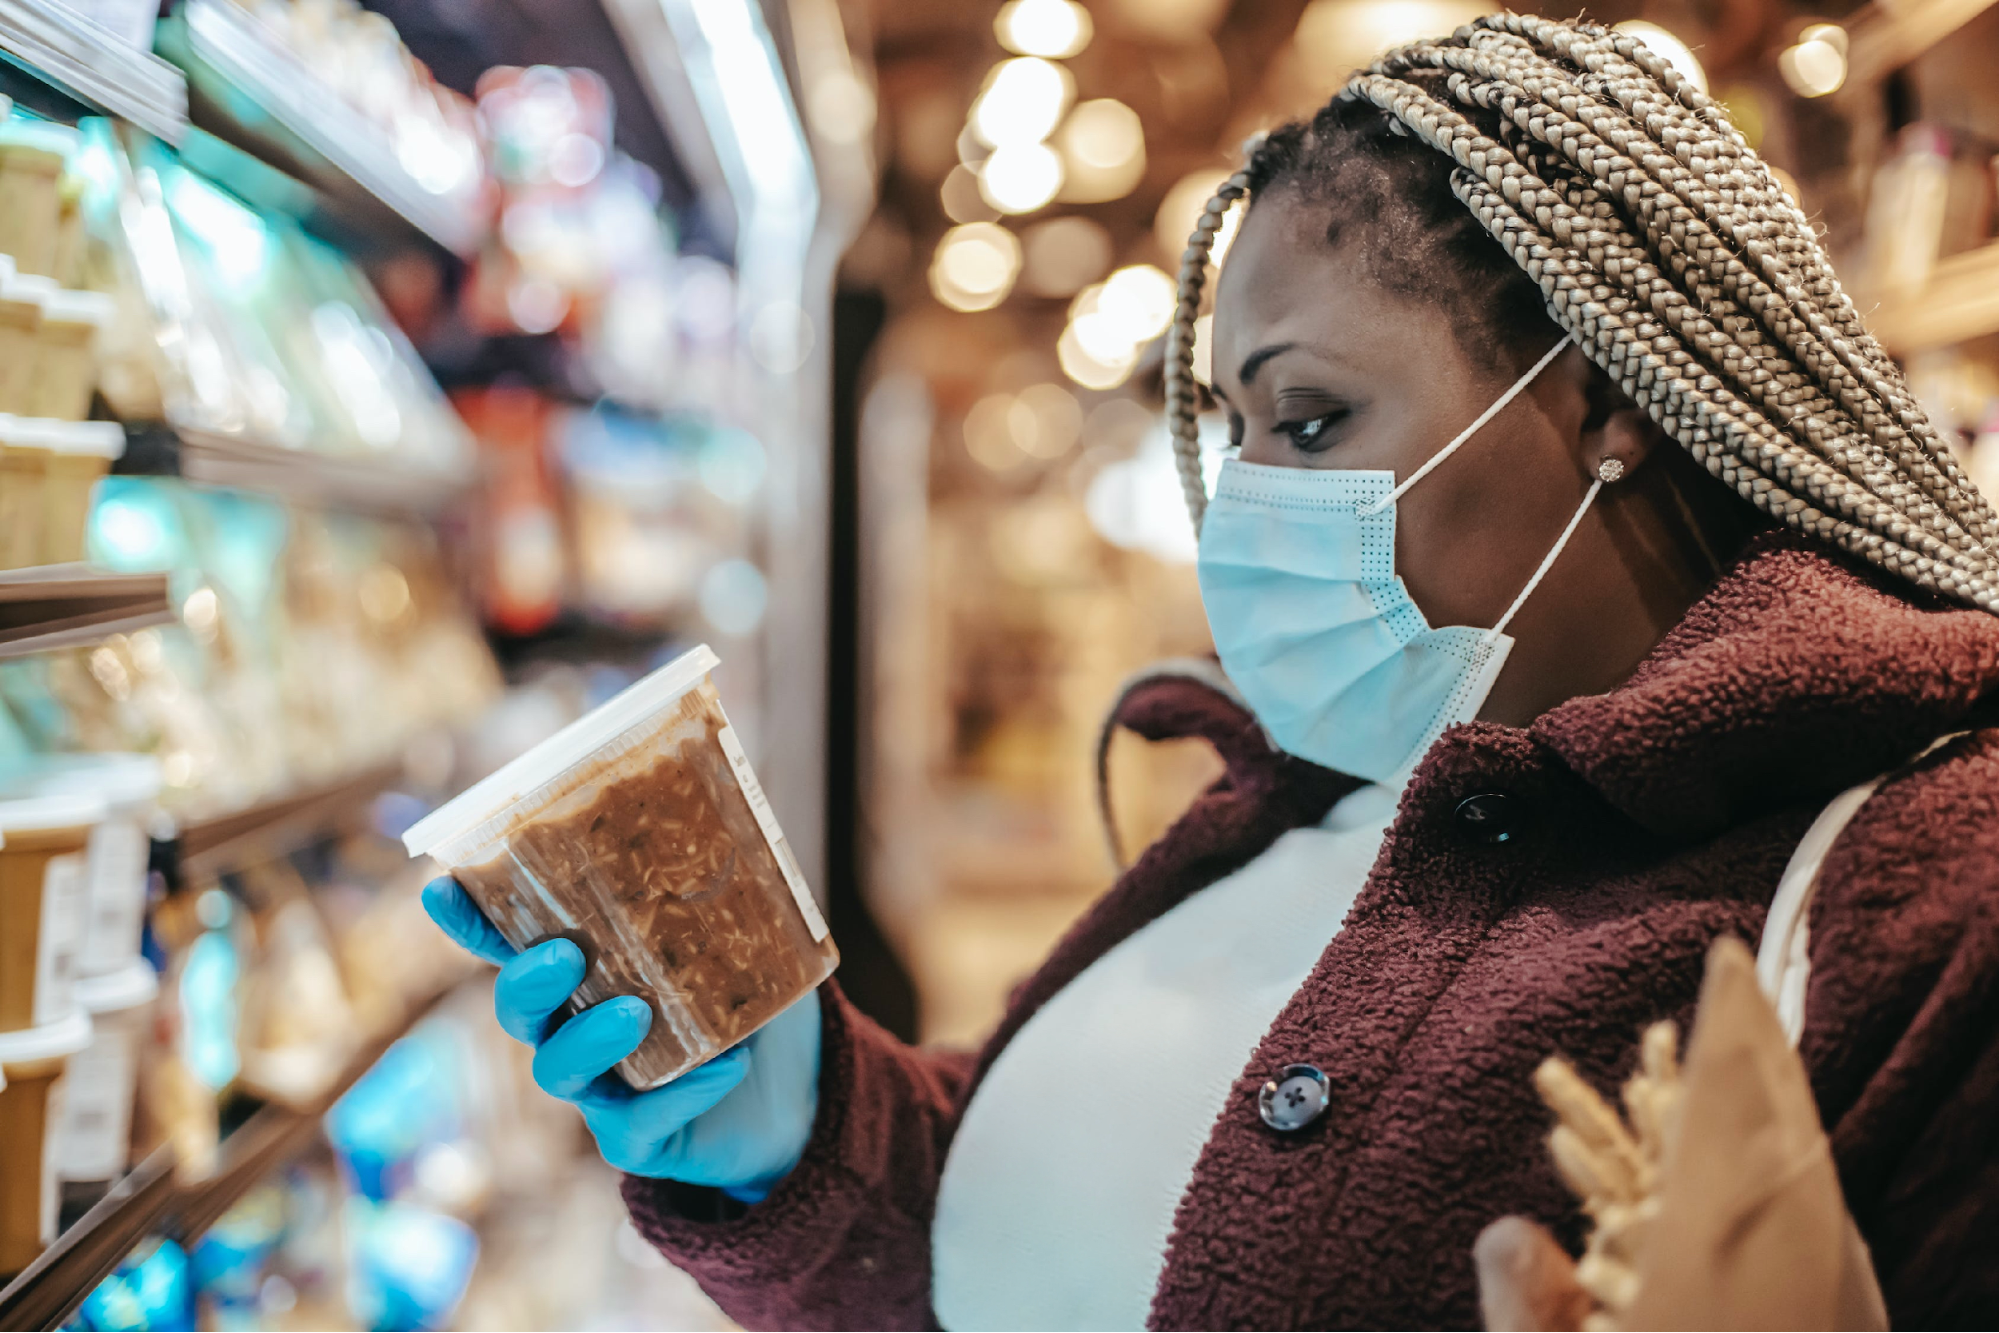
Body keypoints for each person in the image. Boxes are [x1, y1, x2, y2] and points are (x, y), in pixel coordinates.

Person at [424, 15, 1999, 1330]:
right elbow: (1034, 1239)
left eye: (1308, 423)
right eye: (1230, 435)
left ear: (1601, 398)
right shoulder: (1302, 801)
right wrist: (809, 1135)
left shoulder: (1919, 889)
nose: (1248, 500)